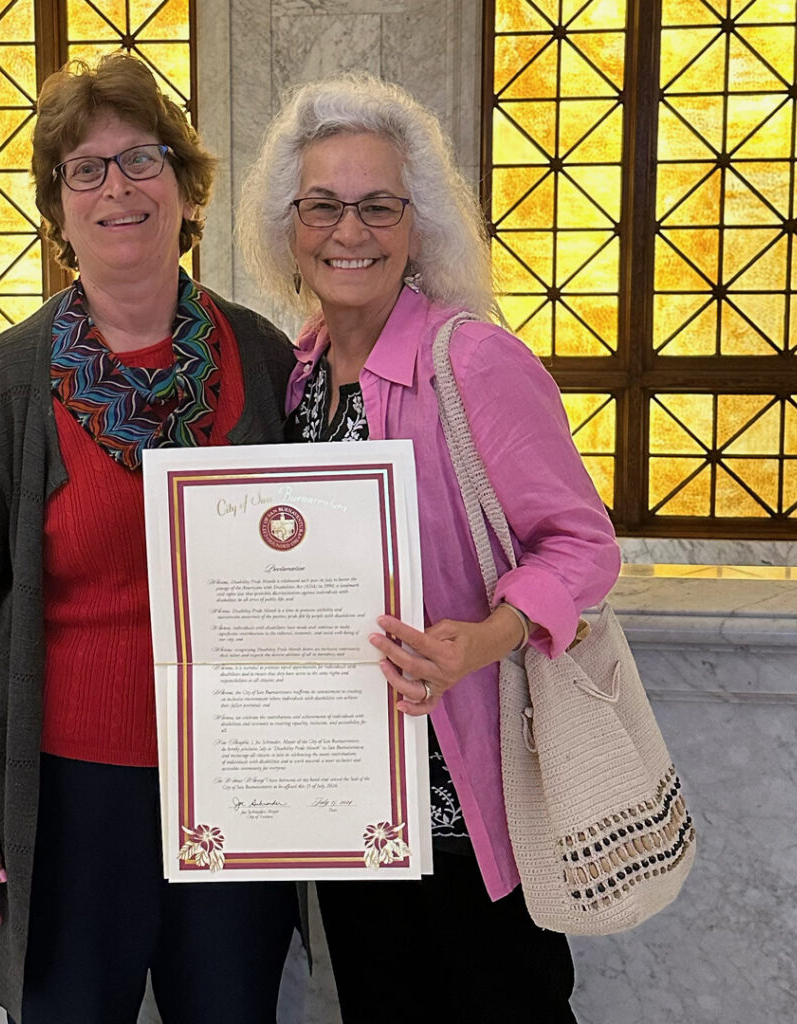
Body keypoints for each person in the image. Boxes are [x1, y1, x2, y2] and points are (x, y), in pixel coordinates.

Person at [0, 54, 298, 1024]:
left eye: (141, 160)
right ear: (59, 206)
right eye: (86, 169)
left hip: (237, 795)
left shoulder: (265, 357)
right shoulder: (3, 386)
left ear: (185, 185)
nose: (117, 188)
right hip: (65, 808)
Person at [237, 73, 622, 1023]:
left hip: (466, 810)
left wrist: (475, 642)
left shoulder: (472, 360)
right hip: (356, 807)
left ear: (420, 225)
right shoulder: (299, 375)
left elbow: (583, 548)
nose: (349, 232)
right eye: (323, 205)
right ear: (291, 225)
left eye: (378, 206)